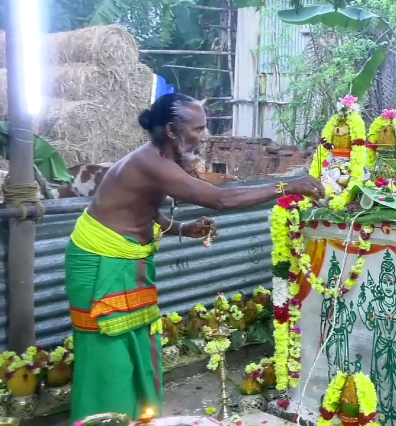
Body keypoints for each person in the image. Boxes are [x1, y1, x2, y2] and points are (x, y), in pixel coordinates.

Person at [65, 93, 324, 422]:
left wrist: (183, 229)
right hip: (100, 261)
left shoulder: (161, 161)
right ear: (172, 131)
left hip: (128, 263)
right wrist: (286, 187)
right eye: (198, 129)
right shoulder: (151, 162)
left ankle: (139, 419)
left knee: (139, 349)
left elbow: (143, 208)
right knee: (109, 360)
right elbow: (220, 200)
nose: (205, 136)